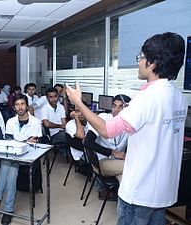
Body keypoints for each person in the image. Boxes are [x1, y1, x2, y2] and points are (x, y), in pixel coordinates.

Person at [66, 32, 187, 224]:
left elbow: (107, 130)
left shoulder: (148, 98)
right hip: (164, 190)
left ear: (153, 63)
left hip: (140, 191)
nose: (138, 62)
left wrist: (78, 103)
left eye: (141, 57)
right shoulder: (179, 96)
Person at [0, 93, 42, 225]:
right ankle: (8, 210)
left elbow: (34, 142)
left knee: (8, 165)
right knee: (11, 169)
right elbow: (9, 141)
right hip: (12, 155)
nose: (20, 107)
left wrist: (21, 142)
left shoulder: (35, 122)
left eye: (22, 104)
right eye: (17, 105)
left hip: (29, 156)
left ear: (27, 106)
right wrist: (23, 142)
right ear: (14, 107)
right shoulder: (11, 122)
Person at [84, 94, 130, 200]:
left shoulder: (130, 123)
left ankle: (125, 207)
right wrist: (113, 152)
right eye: (114, 106)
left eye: (121, 107)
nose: (116, 110)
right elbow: (88, 142)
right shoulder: (103, 118)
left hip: (118, 164)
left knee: (126, 182)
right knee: (131, 166)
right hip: (101, 162)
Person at [41, 87, 67, 157]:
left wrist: (63, 126)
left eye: (55, 96)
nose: (53, 99)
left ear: (58, 96)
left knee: (75, 135)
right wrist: (60, 126)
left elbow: (64, 122)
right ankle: (76, 159)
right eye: (51, 97)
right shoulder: (44, 108)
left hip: (62, 132)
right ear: (47, 98)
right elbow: (46, 124)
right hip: (53, 135)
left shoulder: (61, 107)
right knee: (72, 137)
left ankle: (72, 156)